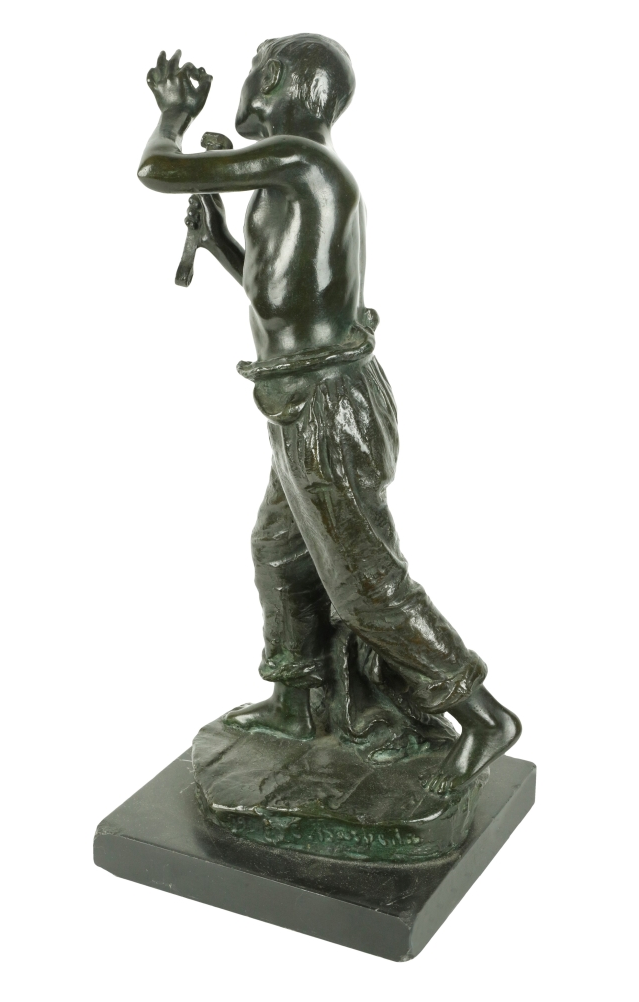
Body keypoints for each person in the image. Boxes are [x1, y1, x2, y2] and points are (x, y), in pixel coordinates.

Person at [138, 34, 521, 793]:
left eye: (255, 73)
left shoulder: (302, 162)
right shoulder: (293, 175)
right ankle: (300, 702)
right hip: (299, 403)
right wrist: (218, 240)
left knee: (363, 581)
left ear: (280, 82)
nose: (245, 88)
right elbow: (280, 301)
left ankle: (482, 715)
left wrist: (173, 115)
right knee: (279, 554)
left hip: (327, 408)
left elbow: (157, 170)